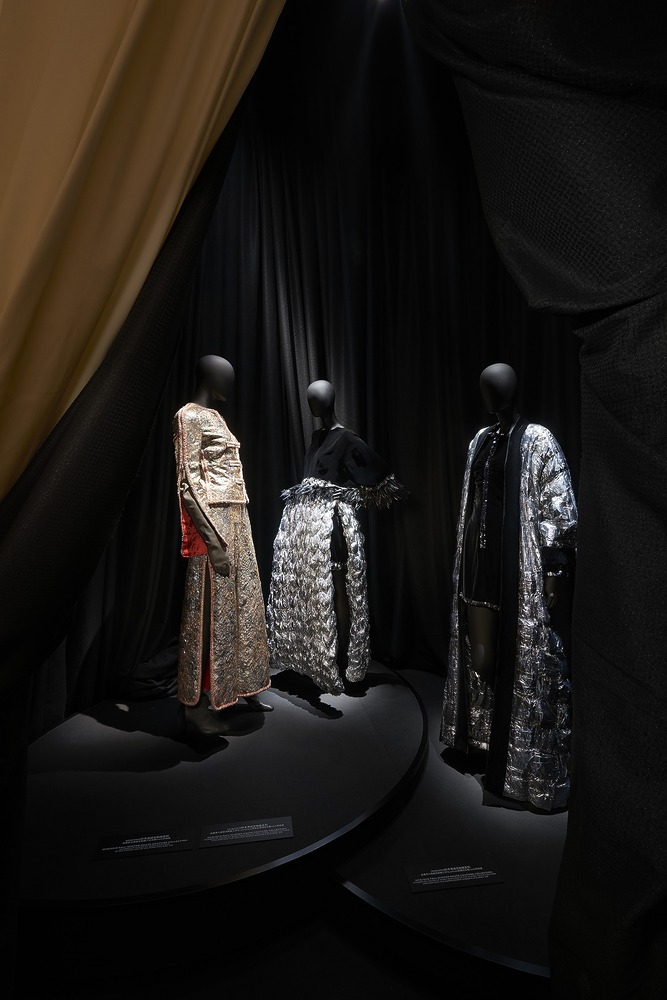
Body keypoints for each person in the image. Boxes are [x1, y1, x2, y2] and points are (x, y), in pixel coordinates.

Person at [441, 363, 577, 811]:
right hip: (478, 565)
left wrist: (555, 567)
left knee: (521, 656)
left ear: (512, 390)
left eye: (495, 387)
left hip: (518, 567)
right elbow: (472, 502)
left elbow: (557, 502)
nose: (490, 394)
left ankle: (516, 758)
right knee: (482, 659)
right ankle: (485, 740)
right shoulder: (479, 440)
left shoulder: (538, 440)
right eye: (485, 387)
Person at [266, 379, 406, 695]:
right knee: (317, 591)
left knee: (339, 589)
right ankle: (318, 655)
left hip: (331, 527)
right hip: (306, 530)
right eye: (309, 399)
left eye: (315, 399)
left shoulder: (346, 439)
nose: (312, 404)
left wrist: (347, 495)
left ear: (327, 401)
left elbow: (383, 484)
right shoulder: (318, 437)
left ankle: (342, 658)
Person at [172, 355, 271, 745]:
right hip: (214, 522)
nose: (229, 383)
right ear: (210, 378)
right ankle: (195, 708)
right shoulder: (188, 416)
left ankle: (241, 684)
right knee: (209, 612)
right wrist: (213, 541)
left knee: (242, 605)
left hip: (236, 518)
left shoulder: (214, 416)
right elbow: (187, 480)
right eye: (224, 377)